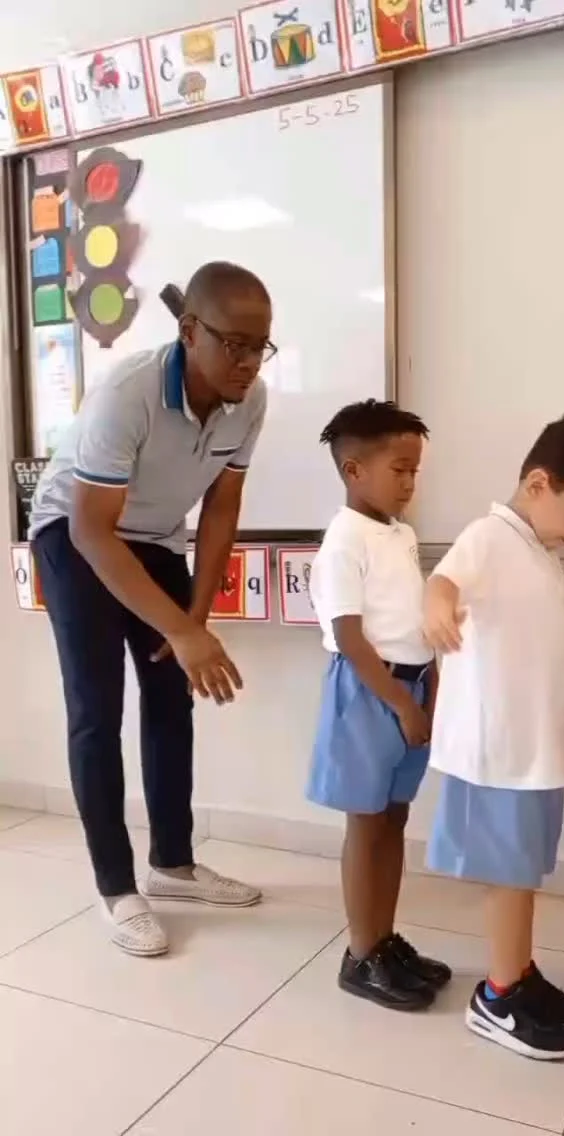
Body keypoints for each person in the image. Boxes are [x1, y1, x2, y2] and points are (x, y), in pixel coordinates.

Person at [30, 261, 276, 957]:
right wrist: (180, 627)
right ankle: (116, 887)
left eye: (260, 347)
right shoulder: (128, 394)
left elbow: (221, 509)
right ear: (190, 331)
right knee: (96, 707)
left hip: (156, 539)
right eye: (234, 345)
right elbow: (91, 531)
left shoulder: (250, 400)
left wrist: (192, 624)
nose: (248, 363)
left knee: (171, 695)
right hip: (75, 535)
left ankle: (172, 865)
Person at [424, 412, 564, 1060]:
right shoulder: (489, 536)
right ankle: (497, 997)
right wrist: (437, 607)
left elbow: (558, 590)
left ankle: (519, 974)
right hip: (499, 752)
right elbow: (444, 579)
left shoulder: (535, 549)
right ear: (539, 484)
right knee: (510, 875)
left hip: (532, 750)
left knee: (525, 870)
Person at [307, 399, 451, 1011]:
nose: (410, 482)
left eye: (415, 470)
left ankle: (384, 941)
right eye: (399, 470)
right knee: (366, 825)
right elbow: (350, 638)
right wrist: (402, 705)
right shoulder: (344, 540)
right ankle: (361, 954)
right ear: (353, 470)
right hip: (371, 692)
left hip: (410, 688)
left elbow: (413, 618)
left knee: (394, 818)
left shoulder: (401, 533)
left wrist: (431, 689)